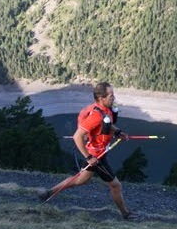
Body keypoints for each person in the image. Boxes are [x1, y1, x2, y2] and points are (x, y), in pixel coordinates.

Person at [38, 82, 136, 220]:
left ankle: (48, 193)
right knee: (116, 185)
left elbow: (106, 123)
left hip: (99, 152)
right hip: (97, 156)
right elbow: (77, 136)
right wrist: (89, 157)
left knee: (81, 180)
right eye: (111, 95)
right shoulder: (95, 115)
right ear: (101, 98)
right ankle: (125, 213)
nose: (114, 98)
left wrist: (118, 132)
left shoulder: (104, 109)